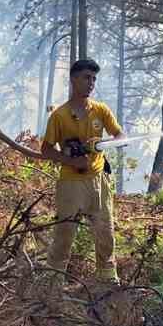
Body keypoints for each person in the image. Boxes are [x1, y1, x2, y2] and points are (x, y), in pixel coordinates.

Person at [40, 58, 122, 282]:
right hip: (71, 183)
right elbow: (46, 149)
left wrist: (110, 143)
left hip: (99, 180)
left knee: (105, 232)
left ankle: (107, 283)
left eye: (94, 78)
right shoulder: (59, 115)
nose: (91, 83)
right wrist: (71, 161)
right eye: (87, 77)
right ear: (73, 79)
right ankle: (52, 286)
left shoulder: (101, 110)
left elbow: (119, 135)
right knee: (64, 235)